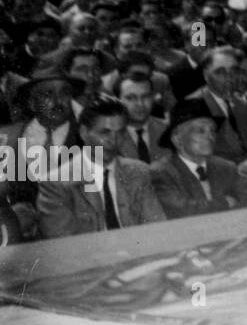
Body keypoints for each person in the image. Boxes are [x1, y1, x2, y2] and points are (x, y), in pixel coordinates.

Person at [36, 95, 166, 238]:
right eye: (105, 132)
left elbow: (157, 228)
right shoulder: (55, 183)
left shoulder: (140, 172)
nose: (114, 141)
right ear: (84, 133)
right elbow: (65, 244)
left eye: (121, 132)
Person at [149, 99, 241, 218]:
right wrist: (225, 203)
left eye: (212, 130)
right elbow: (182, 211)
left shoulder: (227, 167)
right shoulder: (161, 172)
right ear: (177, 139)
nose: (210, 136)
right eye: (200, 131)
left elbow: (246, 201)